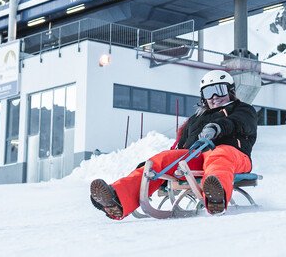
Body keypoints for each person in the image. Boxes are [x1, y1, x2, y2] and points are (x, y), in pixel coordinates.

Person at [89, 69, 258, 217]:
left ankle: (216, 196)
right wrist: (161, 169)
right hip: (198, 157)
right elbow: (181, 148)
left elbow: (242, 123)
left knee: (219, 156)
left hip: (234, 155)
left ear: (230, 91)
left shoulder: (242, 109)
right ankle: (116, 199)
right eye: (208, 93)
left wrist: (217, 127)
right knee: (164, 158)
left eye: (219, 90)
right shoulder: (195, 120)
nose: (214, 97)